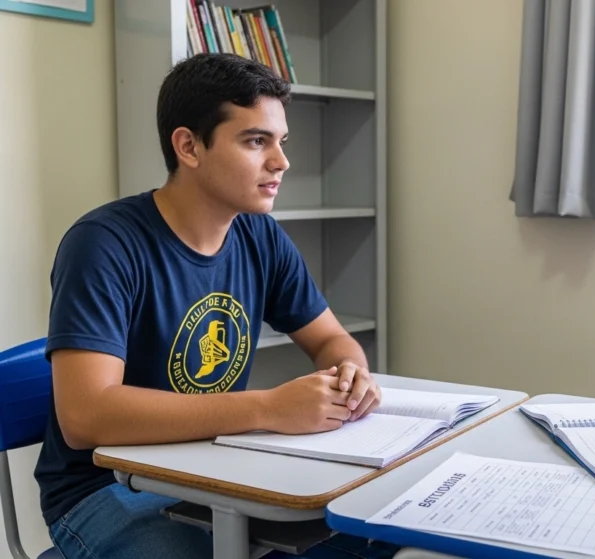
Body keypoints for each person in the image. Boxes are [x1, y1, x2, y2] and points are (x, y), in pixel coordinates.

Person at [34, 53, 397, 559]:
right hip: (106, 487)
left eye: (281, 141)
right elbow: (86, 417)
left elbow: (330, 339)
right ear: (188, 146)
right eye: (256, 141)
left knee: (379, 532)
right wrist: (270, 408)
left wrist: (350, 375)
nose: (281, 162)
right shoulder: (103, 244)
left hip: (216, 466)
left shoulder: (258, 234)